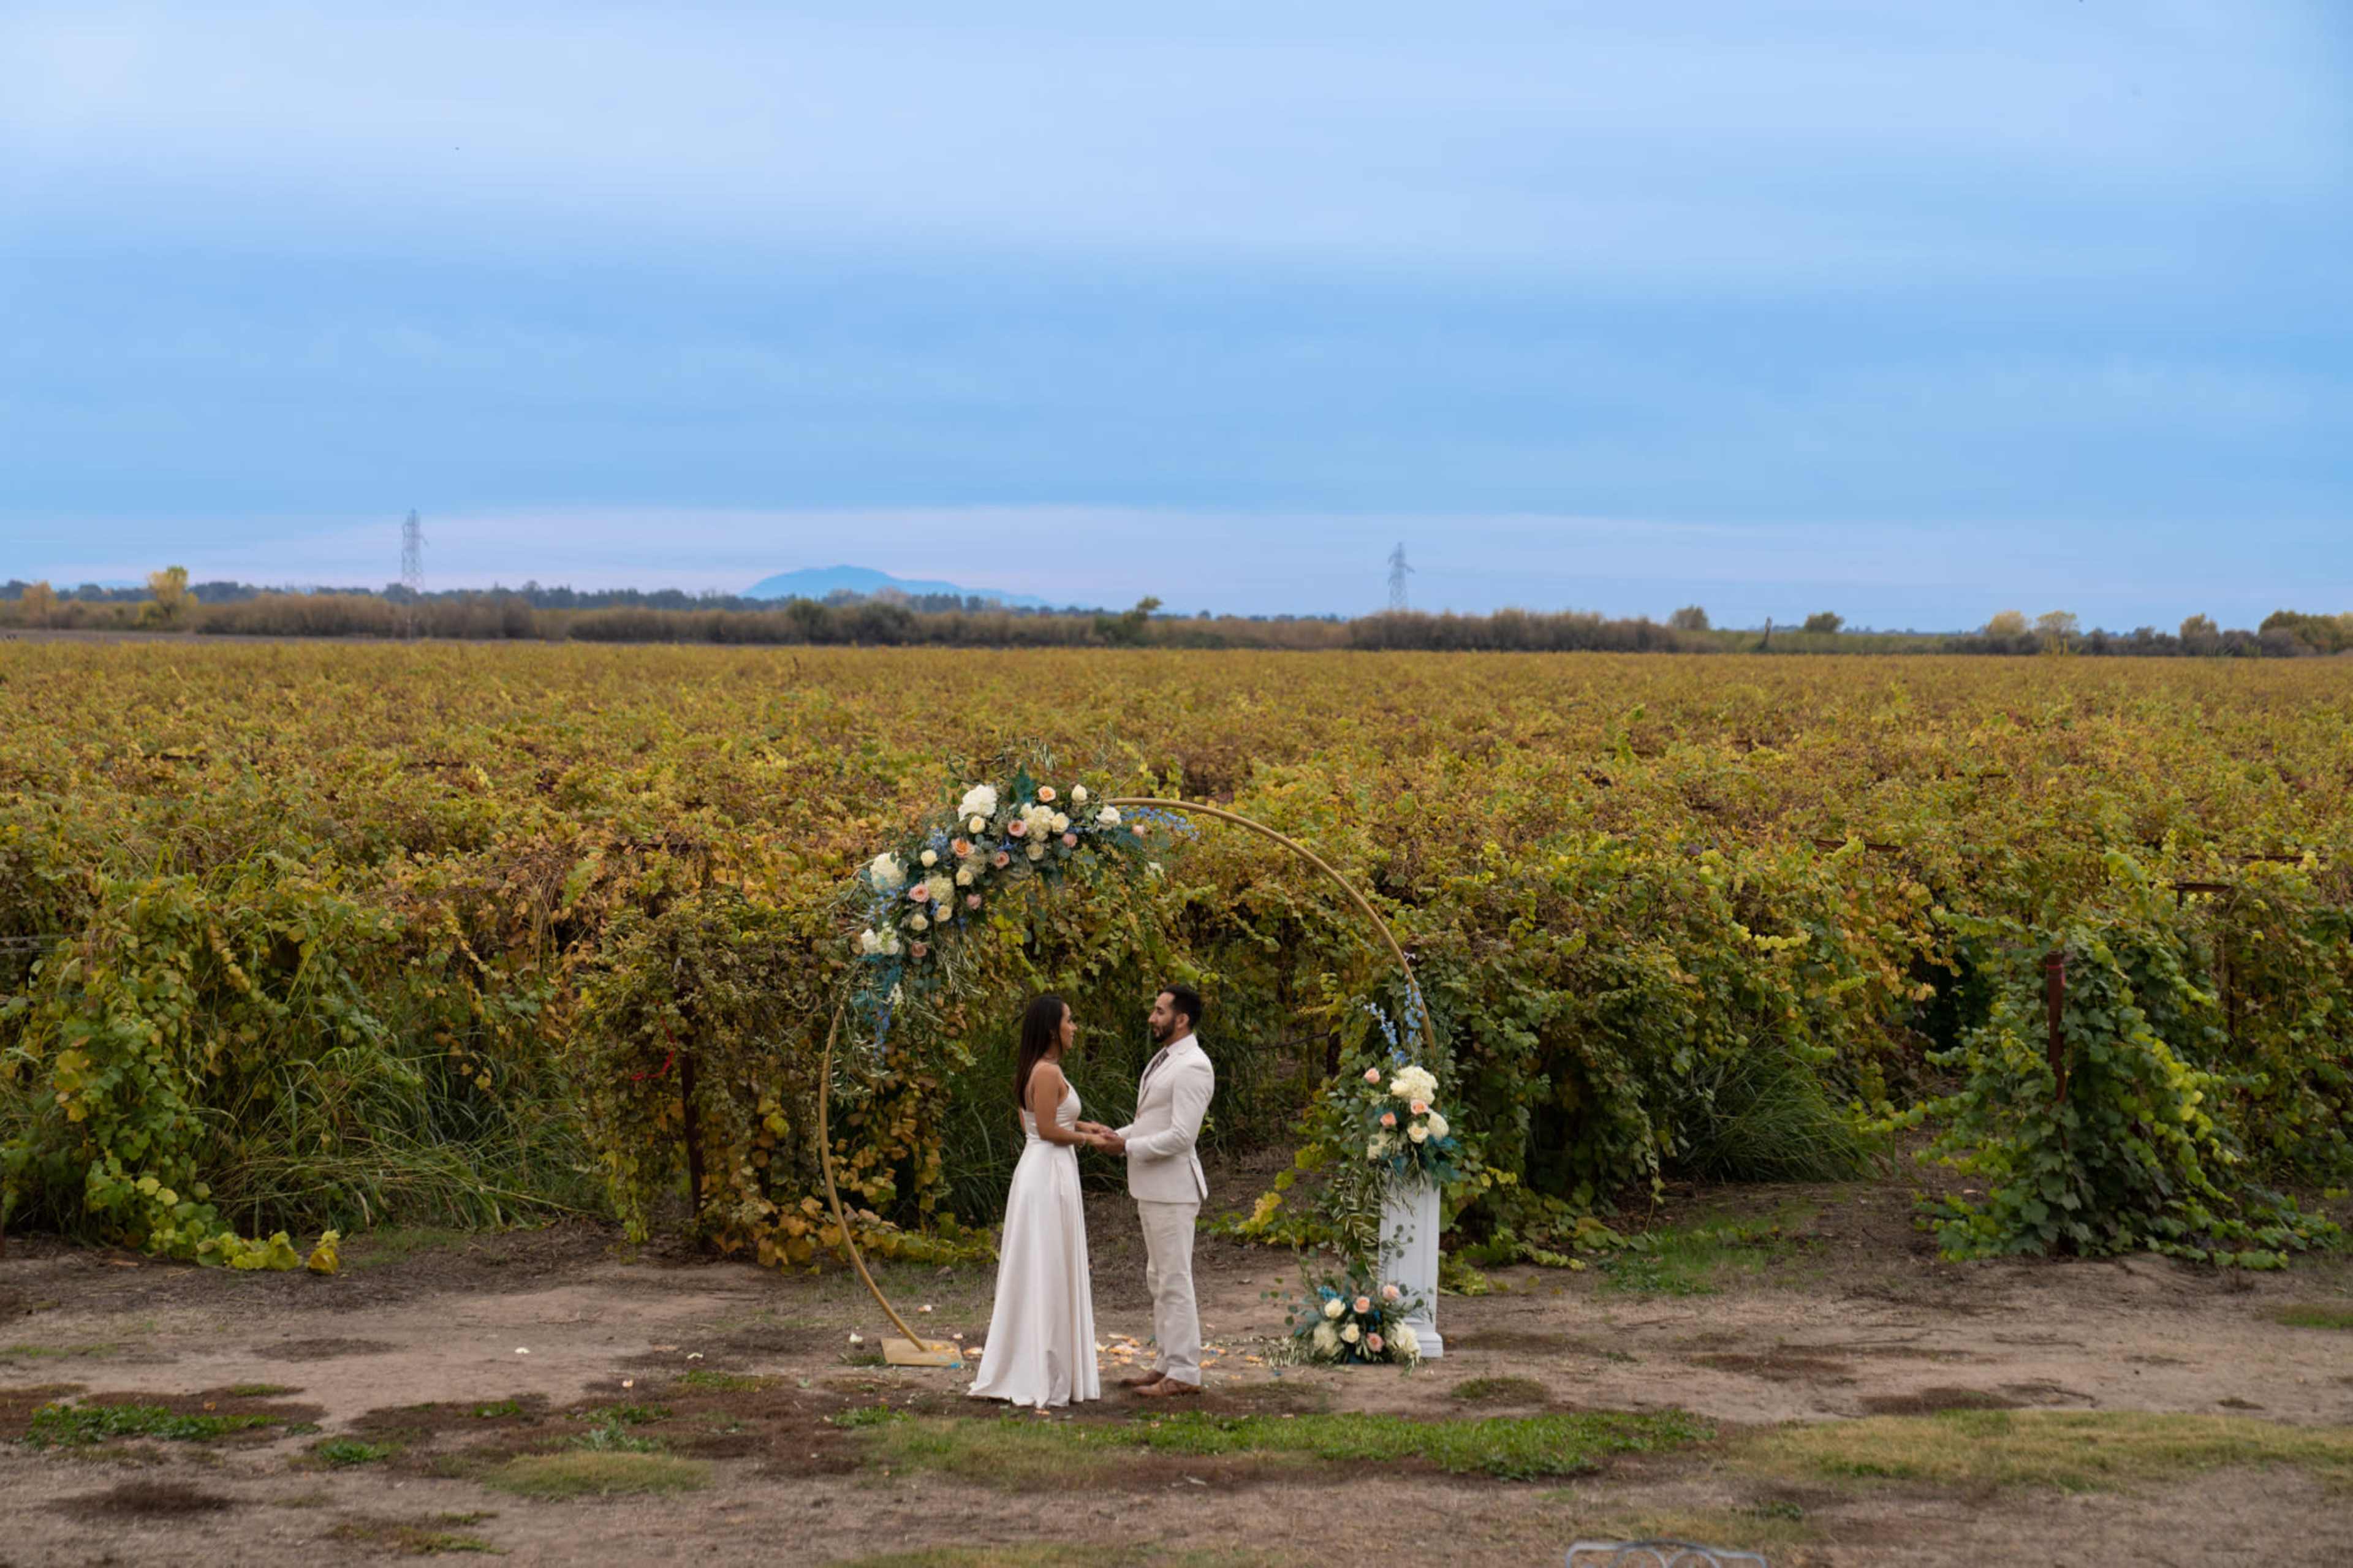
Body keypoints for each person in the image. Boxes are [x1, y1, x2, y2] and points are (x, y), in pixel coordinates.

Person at [968, 994, 1120, 1409]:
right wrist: (1088, 1139)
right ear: (1053, 1028)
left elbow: (1037, 1121)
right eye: (1070, 1021)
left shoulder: (1033, 1069)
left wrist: (1084, 1123)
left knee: (1038, 1262)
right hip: (1049, 1169)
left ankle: (1033, 1358)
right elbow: (1050, 1129)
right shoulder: (1048, 1070)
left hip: (1039, 1168)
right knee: (1047, 1262)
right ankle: (1043, 1367)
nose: (1074, 1028)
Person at [1099, 984, 1213, 1399]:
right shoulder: (1166, 1058)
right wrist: (1115, 1135)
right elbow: (1153, 1122)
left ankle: (1185, 1370)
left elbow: (1182, 1136)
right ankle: (1167, 1361)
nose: (1153, 1017)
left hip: (1174, 1188)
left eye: (1159, 1010)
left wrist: (1125, 1146)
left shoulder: (1194, 1065)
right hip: (1153, 1187)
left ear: (1181, 1019)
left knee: (1175, 1278)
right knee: (1158, 1277)